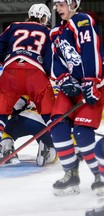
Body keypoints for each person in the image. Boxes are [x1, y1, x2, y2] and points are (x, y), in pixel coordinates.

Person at [0, 3, 55, 170]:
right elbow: (50, 60)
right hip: (36, 75)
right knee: (51, 116)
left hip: (10, 73)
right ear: (44, 18)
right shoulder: (48, 32)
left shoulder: (14, 26)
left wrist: (10, 61)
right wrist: (44, 73)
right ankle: (61, 147)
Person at [50, 0, 104, 196]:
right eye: (56, 5)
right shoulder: (55, 31)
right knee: (57, 125)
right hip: (70, 87)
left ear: (73, 3)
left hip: (92, 84)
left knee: (82, 132)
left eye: (61, 4)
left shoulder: (82, 21)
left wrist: (91, 80)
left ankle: (100, 175)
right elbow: (56, 59)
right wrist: (63, 78)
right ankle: (70, 174)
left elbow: (92, 52)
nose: (58, 8)